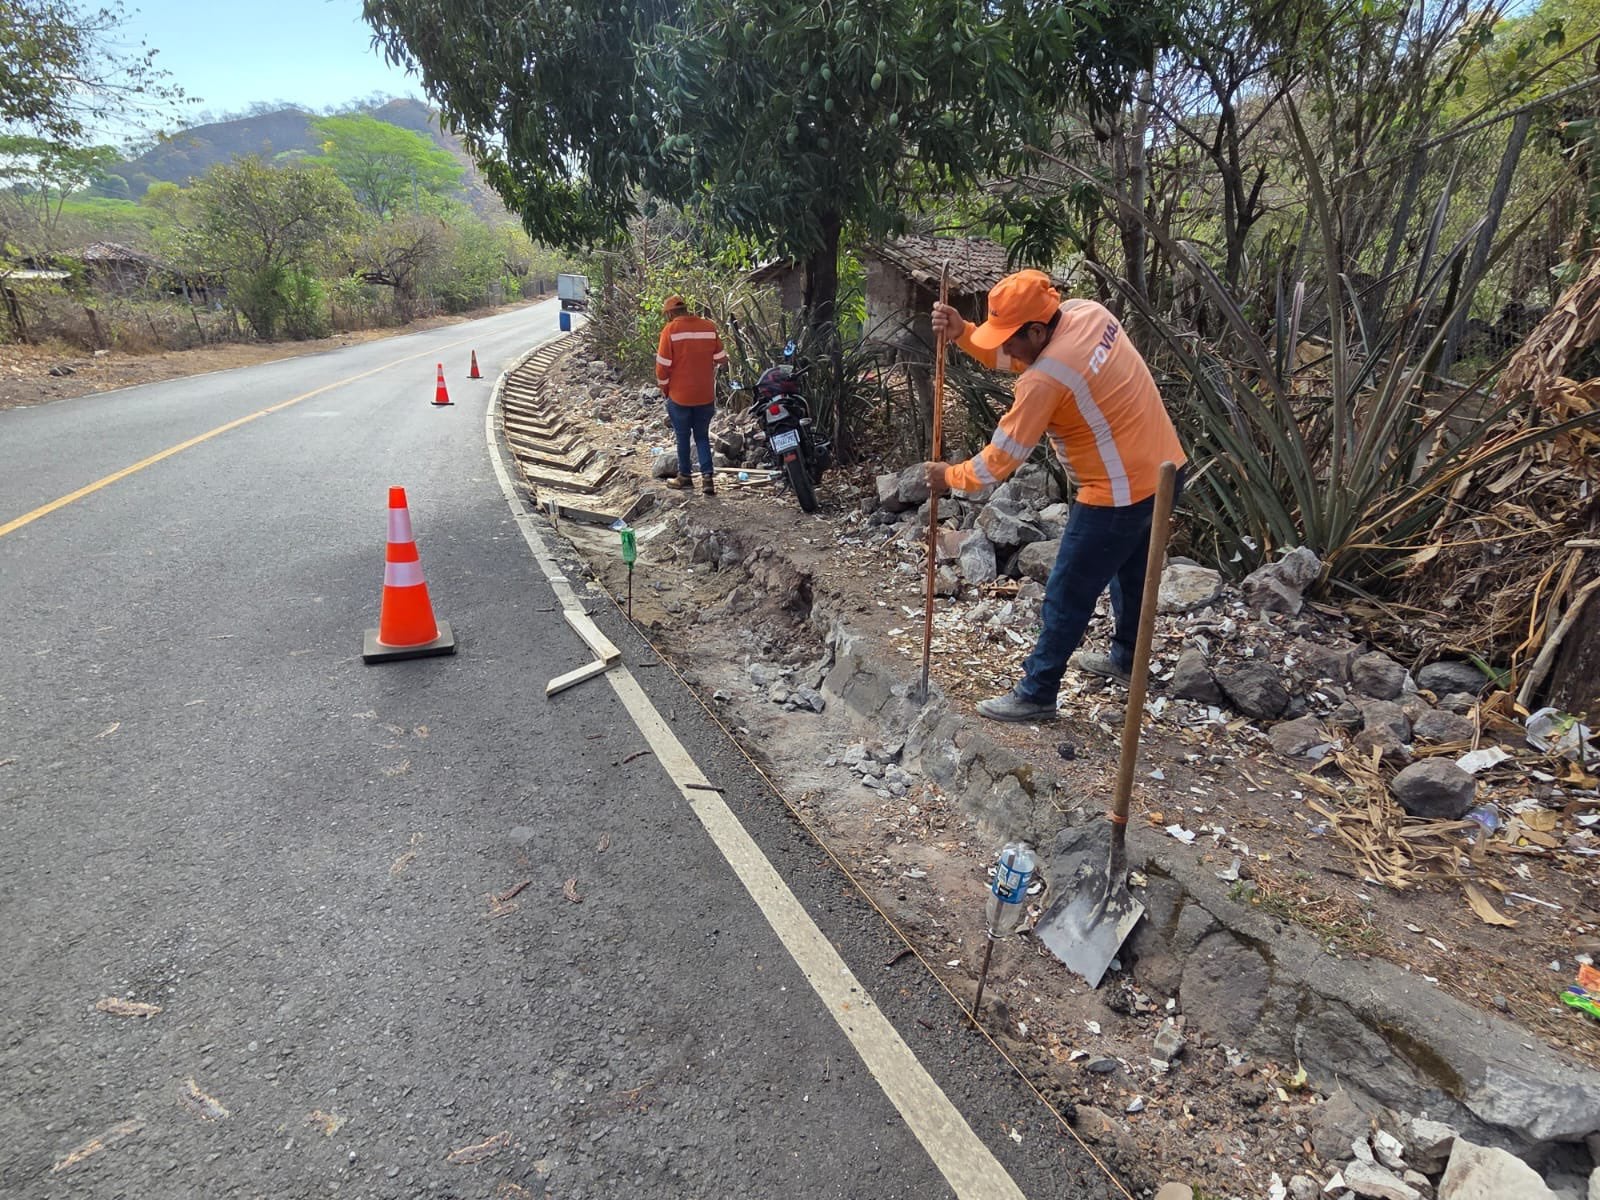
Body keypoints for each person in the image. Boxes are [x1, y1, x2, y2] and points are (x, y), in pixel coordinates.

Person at [925, 269, 1187, 723]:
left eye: (1010, 337)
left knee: (1068, 590)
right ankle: (1127, 658)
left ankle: (1038, 691)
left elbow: (997, 463)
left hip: (1117, 492)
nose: (1004, 348)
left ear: (1038, 329)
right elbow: (1023, 359)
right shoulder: (1089, 314)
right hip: (1165, 472)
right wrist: (964, 333)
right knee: (1131, 573)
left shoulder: (1044, 380)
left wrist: (948, 476)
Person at [655, 295, 728, 496]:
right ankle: (707, 480)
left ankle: (685, 477)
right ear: (687, 309)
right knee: (702, 436)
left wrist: (665, 388)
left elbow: (662, 367)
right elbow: (721, 359)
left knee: (682, 437)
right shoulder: (708, 327)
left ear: (670, 313)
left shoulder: (670, 331)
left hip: (680, 395)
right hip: (705, 394)